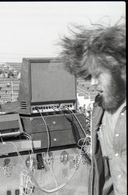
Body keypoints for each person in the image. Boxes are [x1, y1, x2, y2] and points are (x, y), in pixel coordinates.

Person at [58, 21, 126, 195]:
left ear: (119, 68)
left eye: (97, 75)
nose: (93, 83)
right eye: (90, 76)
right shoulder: (100, 108)